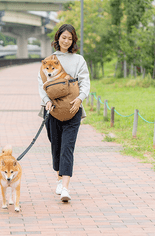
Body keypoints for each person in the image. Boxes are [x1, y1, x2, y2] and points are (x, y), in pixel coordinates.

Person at [38, 24, 90, 202]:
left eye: (70, 38)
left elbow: (85, 82)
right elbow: (41, 84)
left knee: (68, 147)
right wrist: (46, 101)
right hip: (52, 110)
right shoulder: (48, 60)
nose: (66, 41)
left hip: (73, 109)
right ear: (58, 37)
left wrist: (80, 98)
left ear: (73, 40)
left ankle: (65, 187)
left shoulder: (78, 60)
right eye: (63, 37)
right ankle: (59, 177)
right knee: (56, 145)